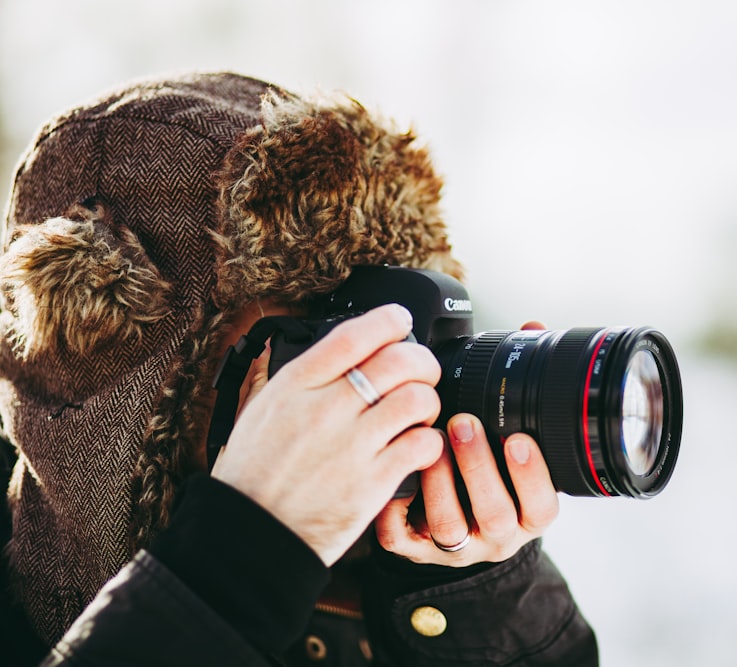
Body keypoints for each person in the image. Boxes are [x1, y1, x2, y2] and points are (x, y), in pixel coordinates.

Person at [0, 71, 598, 666]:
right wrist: (239, 557)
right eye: (326, 339)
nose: (391, 378)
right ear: (141, 382)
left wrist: (473, 600)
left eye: (406, 336)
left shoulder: (396, 579)